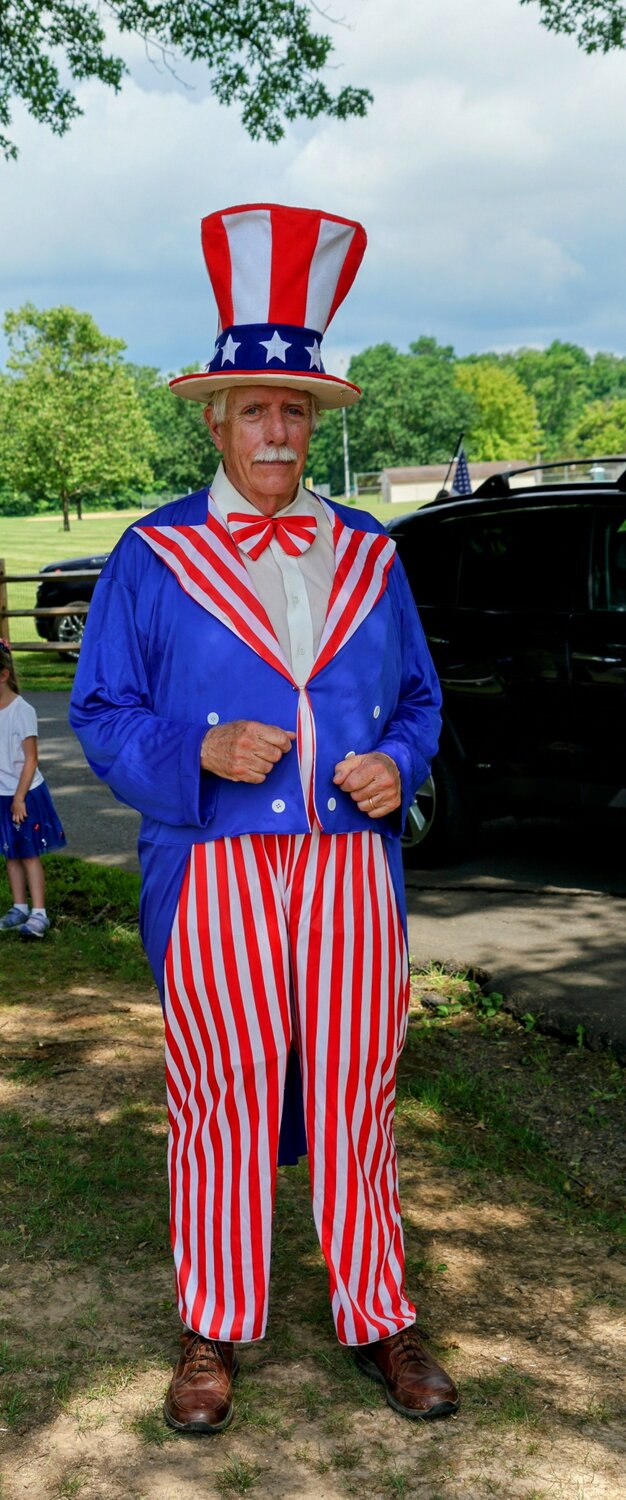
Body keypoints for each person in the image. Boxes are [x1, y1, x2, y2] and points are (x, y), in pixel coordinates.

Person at [70, 202, 459, 1432]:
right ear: (216, 419)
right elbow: (101, 707)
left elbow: (417, 699)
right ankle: (213, 1328)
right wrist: (195, 749)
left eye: (294, 409)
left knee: (359, 1091)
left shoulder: (371, 556)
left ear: (315, 422)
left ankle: (378, 1315)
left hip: (352, 875)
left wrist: (400, 760)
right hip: (215, 873)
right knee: (221, 1097)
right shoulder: (150, 555)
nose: (277, 429)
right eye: (254, 408)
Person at [0, 639, 66, 937]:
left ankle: (39, 913)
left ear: (3, 675)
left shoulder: (21, 710)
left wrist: (19, 798)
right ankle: (19, 907)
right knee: (10, 853)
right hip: (3, 795)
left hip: (23, 794)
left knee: (28, 853)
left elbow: (31, 759)